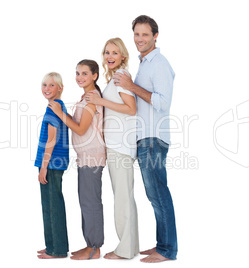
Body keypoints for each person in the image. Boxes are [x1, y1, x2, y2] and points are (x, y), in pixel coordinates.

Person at [113, 15, 178, 263]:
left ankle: (167, 250)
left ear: (155, 36)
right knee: (154, 194)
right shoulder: (144, 64)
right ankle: (163, 244)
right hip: (144, 138)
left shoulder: (159, 63)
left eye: (145, 35)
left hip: (153, 138)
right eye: (137, 34)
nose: (140, 39)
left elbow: (162, 102)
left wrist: (131, 86)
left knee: (158, 193)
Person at [85, 37, 139, 259]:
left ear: (123, 56)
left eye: (115, 53)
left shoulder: (121, 76)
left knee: (123, 199)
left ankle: (125, 250)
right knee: (124, 197)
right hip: (116, 146)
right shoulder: (114, 79)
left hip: (121, 147)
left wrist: (101, 102)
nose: (110, 56)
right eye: (107, 52)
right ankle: (130, 247)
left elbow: (131, 109)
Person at [49, 59, 106, 260]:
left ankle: (95, 248)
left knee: (91, 202)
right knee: (85, 200)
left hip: (92, 157)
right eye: (77, 73)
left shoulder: (93, 97)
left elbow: (81, 128)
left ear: (95, 76)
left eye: (84, 73)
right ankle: (90, 244)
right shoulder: (86, 97)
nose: (79, 77)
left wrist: (60, 114)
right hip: (84, 157)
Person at [35, 72, 70, 259]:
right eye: (44, 85)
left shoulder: (54, 108)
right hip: (53, 162)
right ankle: (52, 245)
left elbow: (52, 138)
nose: (47, 89)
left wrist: (43, 166)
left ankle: (58, 249)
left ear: (60, 88)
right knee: (48, 205)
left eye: (51, 85)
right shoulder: (57, 106)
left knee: (53, 205)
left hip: (51, 163)